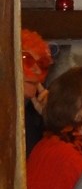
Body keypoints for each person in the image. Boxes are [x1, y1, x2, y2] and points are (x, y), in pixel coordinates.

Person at [22, 28, 53, 156]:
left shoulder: (36, 112)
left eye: (42, 64)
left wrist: (50, 117)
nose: (37, 70)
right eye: (27, 60)